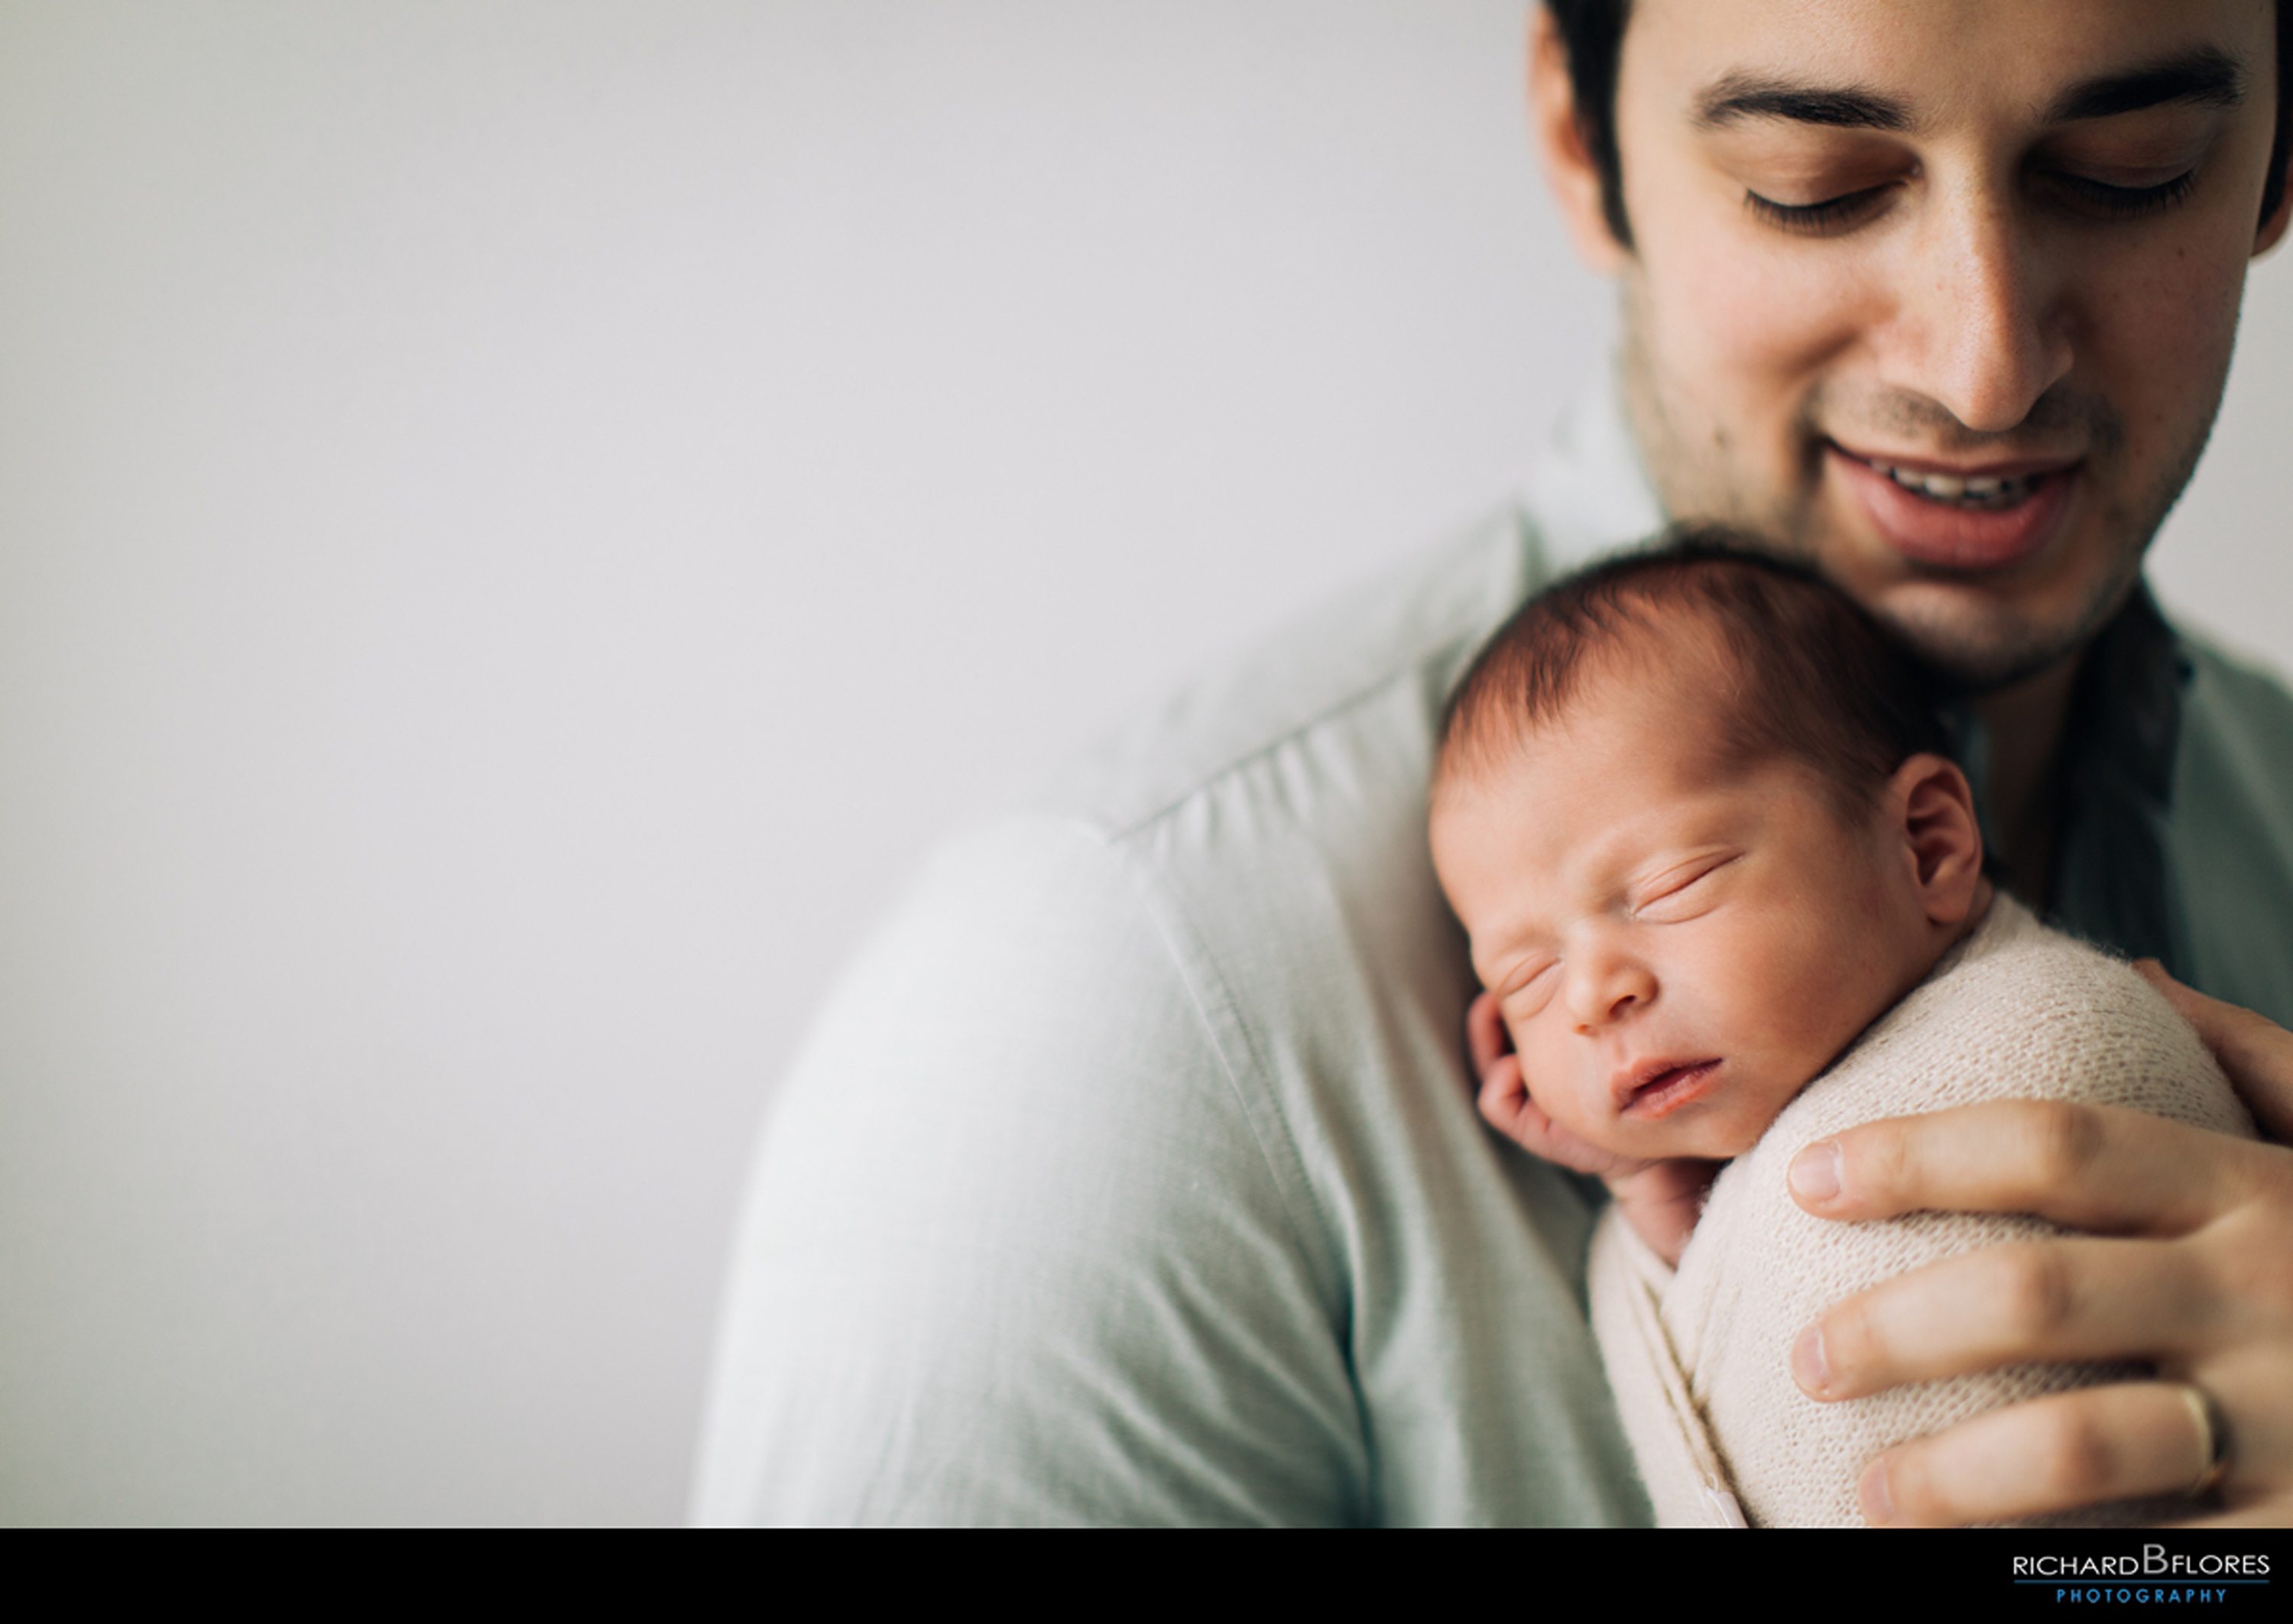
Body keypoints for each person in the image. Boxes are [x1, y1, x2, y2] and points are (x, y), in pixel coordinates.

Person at [694, 0, 2293, 1525]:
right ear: (1577, 133)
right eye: (1814, 187)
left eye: (2126, 166)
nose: (1984, 366)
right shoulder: (1113, 990)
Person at [1429, 541, 2254, 1526]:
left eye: (1672, 885)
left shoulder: (2049, 1040)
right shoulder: (1753, 1151)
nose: (1591, 996)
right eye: (1525, 977)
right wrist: (1655, 1189)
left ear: (1926, 844)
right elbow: (1742, 1384)